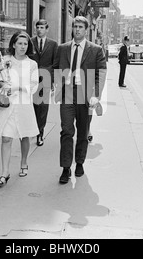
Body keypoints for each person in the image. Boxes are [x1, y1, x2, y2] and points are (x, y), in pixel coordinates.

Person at [53, 16, 107, 184]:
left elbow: (101, 73)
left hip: (85, 96)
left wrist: (95, 95)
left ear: (85, 30)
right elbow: (55, 67)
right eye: (75, 26)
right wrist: (58, 83)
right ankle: (65, 167)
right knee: (66, 131)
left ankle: (80, 163)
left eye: (80, 27)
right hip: (67, 95)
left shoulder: (96, 50)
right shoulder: (62, 48)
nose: (77, 29)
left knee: (83, 131)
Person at [0, 31, 39, 187]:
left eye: (25, 44)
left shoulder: (32, 64)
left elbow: (34, 85)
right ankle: (4, 173)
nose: (22, 46)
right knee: (6, 138)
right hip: (8, 105)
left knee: (24, 136)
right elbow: (0, 81)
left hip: (24, 104)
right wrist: (4, 85)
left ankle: (24, 162)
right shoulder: (5, 61)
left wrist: (18, 88)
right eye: (19, 43)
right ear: (13, 44)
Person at [29, 20, 58, 147]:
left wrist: (53, 81)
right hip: (31, 80)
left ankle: (40, 133)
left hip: (46, 80)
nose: (39, 30)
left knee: (43, 108)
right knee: (32, 106)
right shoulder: (30, 42)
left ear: (47, 29)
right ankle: (32, 129)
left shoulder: (53, 44)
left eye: (42, 27)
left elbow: (55, 63)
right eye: (38, 27)